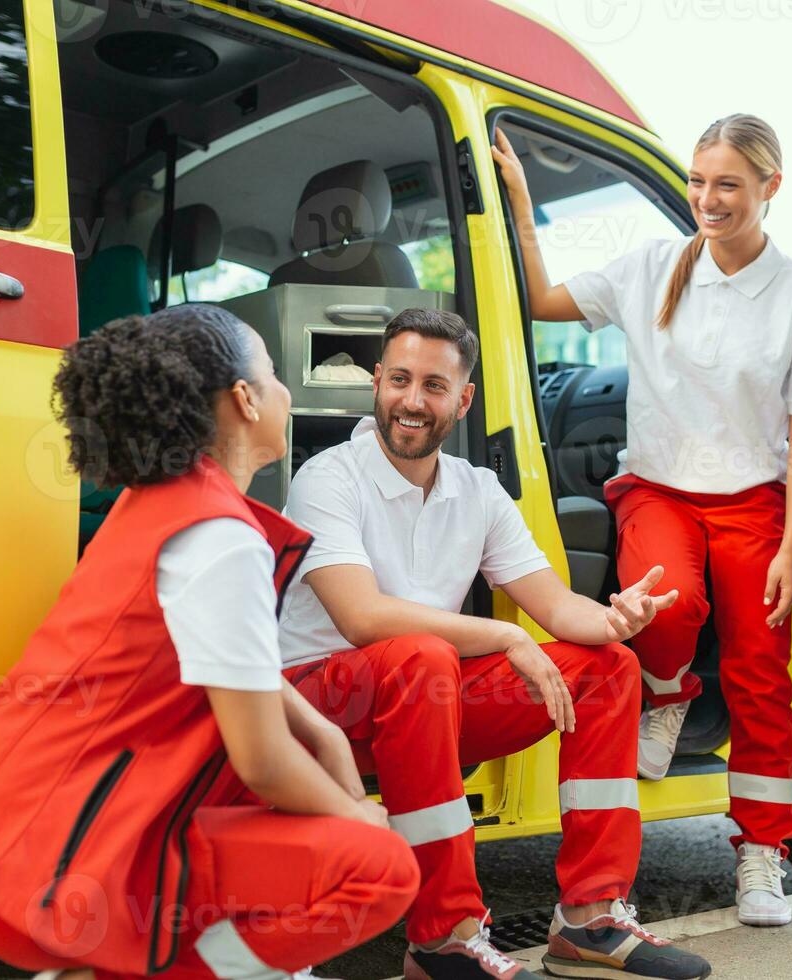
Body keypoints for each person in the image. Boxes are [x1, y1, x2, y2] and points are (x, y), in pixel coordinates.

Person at [0, 305, 419, 980]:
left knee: (306, 822)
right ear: (245, 399)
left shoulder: (170, 505)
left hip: (21, 844)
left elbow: (238, 667)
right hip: (62, 870)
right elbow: (263, 761)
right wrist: (359, 816)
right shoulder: (217, 537)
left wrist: (327, 737)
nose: (286, 392)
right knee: (380, 870)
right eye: (274, 376)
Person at [278, 308, 712, 980]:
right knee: (424, 657)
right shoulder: (329, 478)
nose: (412, 401)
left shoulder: (477, 490)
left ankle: (590, 919)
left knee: (610, 670)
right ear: (376, 382)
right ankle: (444, 940)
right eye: (399, 379)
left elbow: (557, 604)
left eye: (433, 385)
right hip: (317, 710)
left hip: (425, 703)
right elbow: (362, 617)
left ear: (463, 399)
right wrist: (506, 635)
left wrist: (616, 620)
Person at [491, 115, 792, 927]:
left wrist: (790, 548)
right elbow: (546, 302)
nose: (706, 198)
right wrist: (518, 201)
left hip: (754, 502)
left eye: (726, 183)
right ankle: (666, 691)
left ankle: (762, 853)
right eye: (696, 180)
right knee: (667, 607)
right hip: (657, 490)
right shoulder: (653, 265)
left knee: (763, 676)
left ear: (770, 188)